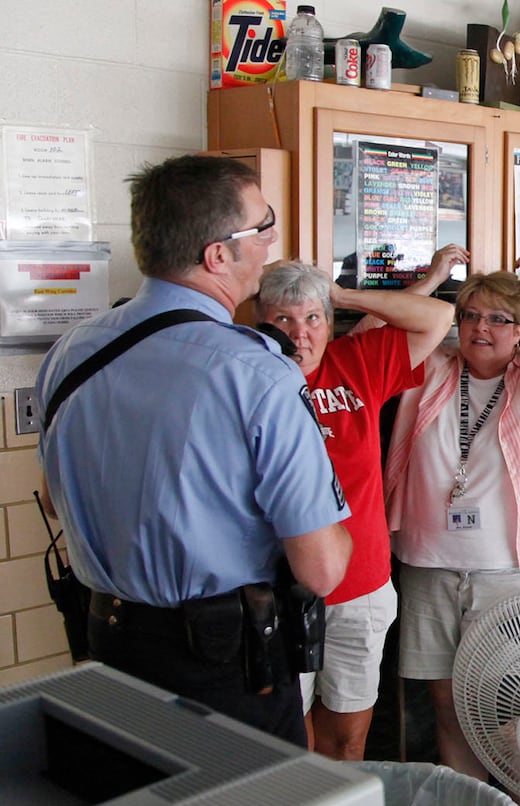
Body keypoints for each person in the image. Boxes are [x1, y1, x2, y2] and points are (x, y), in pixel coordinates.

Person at [35, 154, 351, 747]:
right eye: (263, 226)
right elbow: (323, 567)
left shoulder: (72, 352)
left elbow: (57, 502)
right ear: (218, 255)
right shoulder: (258, 373)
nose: (273, 239)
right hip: (226, 671)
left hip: (106, 648)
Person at [385, 253, 520, 780]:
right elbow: (371, 333)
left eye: (499, 318)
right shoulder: (428, 366)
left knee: (518, 703)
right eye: (471, 314)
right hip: (430, 563)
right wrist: (430, 282)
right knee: (446, 700)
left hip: (511, 571)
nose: (482, 327)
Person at [253, 256, 455, 760]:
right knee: (285, 738)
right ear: (259, 321)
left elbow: (436, 319)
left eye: (312, 318)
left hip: (360, 585)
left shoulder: (355, 361)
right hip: (273, 590)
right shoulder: (244, 379)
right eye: (283, 319)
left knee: (348, 737)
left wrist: (339, 295)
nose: (300, 334)